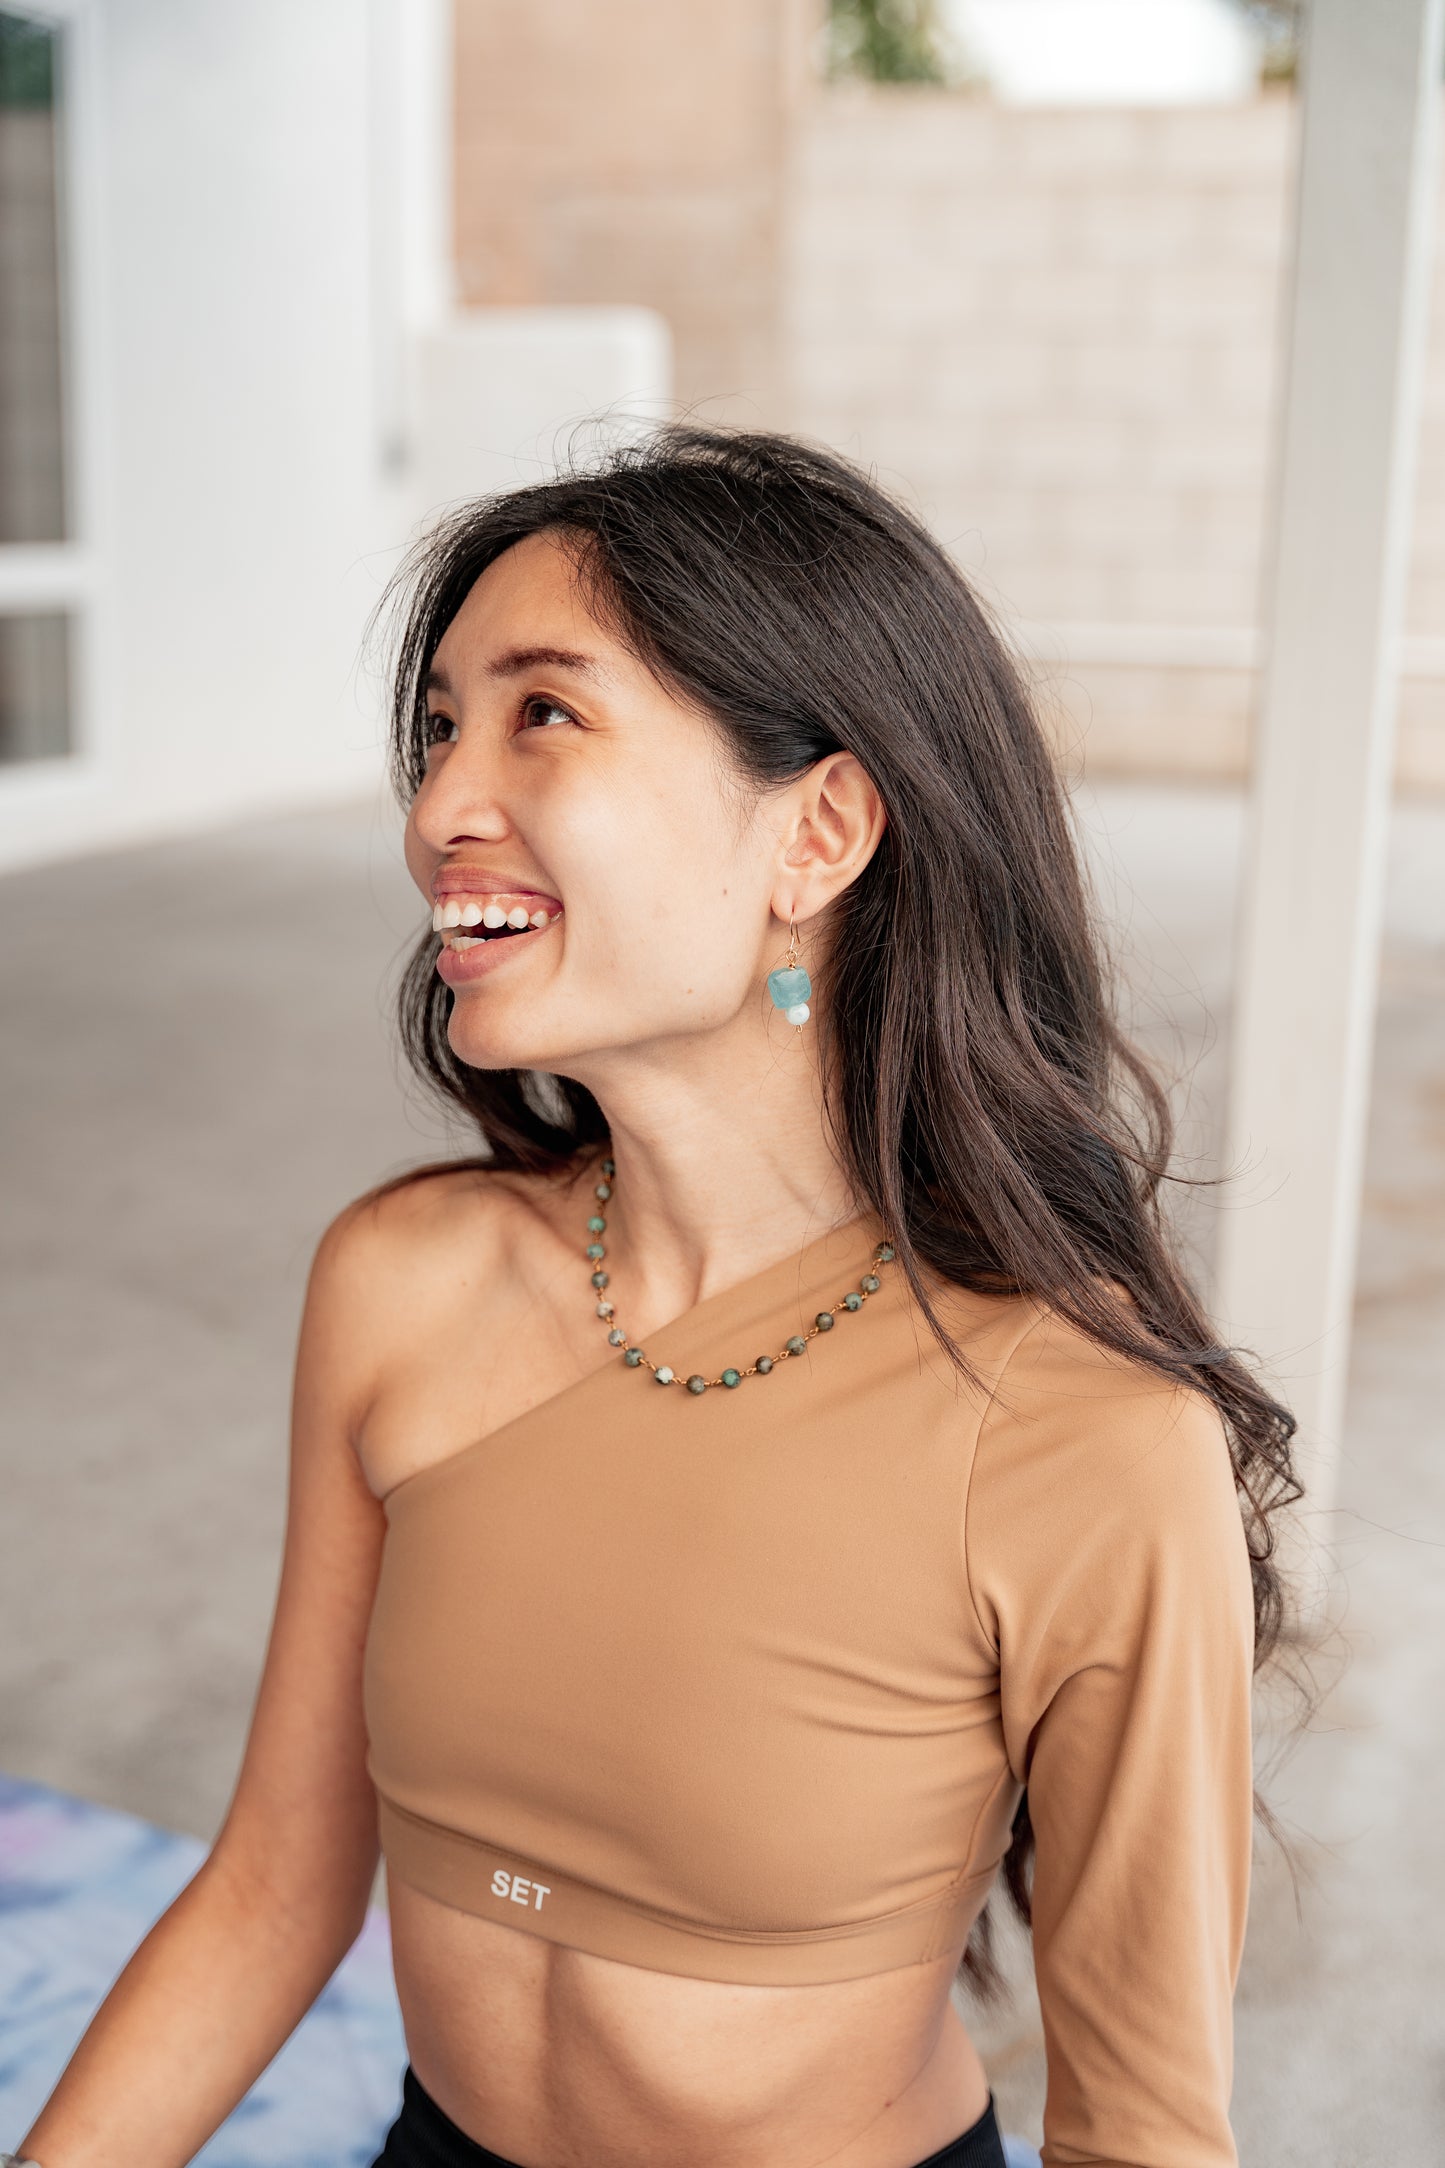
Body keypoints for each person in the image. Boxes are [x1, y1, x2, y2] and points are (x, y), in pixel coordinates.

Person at [14, 427, 1302, 2168]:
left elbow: (1144, 2129)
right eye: (440, 727)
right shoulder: (404, 1281)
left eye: (543, 713)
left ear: (819, 831)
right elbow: (272, 1889)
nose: (439, 807)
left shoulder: (1085, 1434)